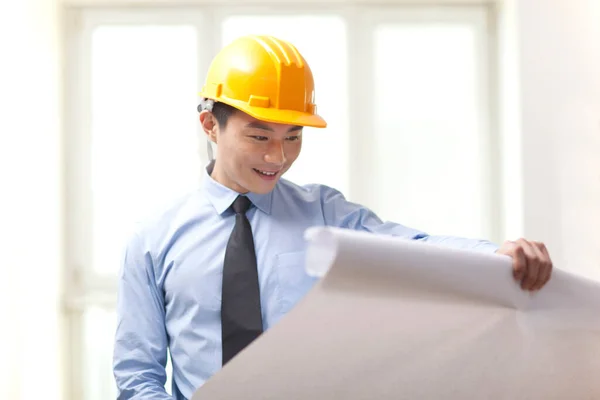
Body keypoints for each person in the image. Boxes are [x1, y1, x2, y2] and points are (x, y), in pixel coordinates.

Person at [113, 34, 553, 399]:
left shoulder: (325, 215)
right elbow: (138, 375)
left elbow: (413, 247)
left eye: (293, 136)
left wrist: (497, 254)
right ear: (210, 125)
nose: (278, 156)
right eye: (259, 135)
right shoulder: (154, 240)